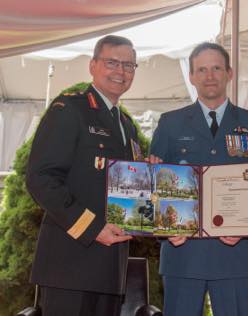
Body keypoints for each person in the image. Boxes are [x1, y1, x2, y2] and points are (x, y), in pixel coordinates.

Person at [149, 42, 248, 316]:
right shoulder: (170, 123)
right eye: (201, 69)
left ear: (229, 72)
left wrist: (247, 229)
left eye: (216, 68)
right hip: (183, 253)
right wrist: (165, 231)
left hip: (235, 254)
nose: (210, 76)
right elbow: (153, 187)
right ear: (191, 76)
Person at [26, 35, 141, 316]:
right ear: (93, 65)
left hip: (111, 268)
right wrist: (92, 228)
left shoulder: (126, 124)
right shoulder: (70, 109)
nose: (121, 72)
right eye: (112, 62)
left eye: (128, 65)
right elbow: (41, 178)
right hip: (71, 266)